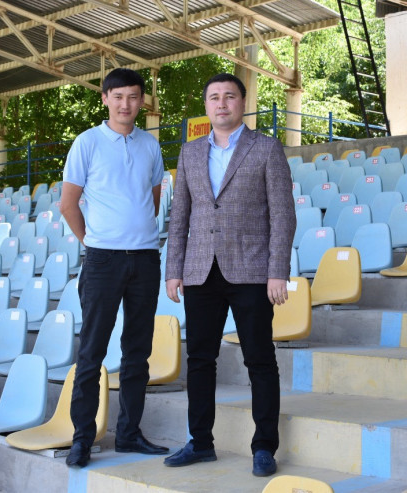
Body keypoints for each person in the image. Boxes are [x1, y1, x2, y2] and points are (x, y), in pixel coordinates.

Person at [163, 73, 296, 477]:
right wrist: (173, 270)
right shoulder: (189, 153)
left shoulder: (267, 148)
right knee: (200, 360)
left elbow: (283, 215)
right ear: (206, 106)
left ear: (242, 102)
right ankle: (201, 442)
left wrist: (277, 271)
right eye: (214, 97)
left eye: (229, 96)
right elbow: (180, 216)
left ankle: (264, 446)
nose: (221, 104)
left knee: (260, 359)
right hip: (200, 271)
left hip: (252, 271)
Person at [61, 68, 169, 468]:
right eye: (118, 96)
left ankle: (128, 434)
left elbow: (152, 201)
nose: (126, 104)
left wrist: (134, 237)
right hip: (103, 260)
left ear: (142, 101)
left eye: (134, 97)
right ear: (105, 98)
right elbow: (68, 203)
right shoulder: (87, 142)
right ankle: (82, 439)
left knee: (138, 352)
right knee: (91, 352)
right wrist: (92, 242)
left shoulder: (150, 146)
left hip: (145, 258)